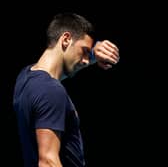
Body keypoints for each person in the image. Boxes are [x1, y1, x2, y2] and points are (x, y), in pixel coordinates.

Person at [13, 12, 120, 167]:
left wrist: (92, 56)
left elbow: (52, 79)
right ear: (66, 39)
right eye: (84, 51)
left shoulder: (26, 76)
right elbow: (48, 162)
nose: (85, 60)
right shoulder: (51, 90)